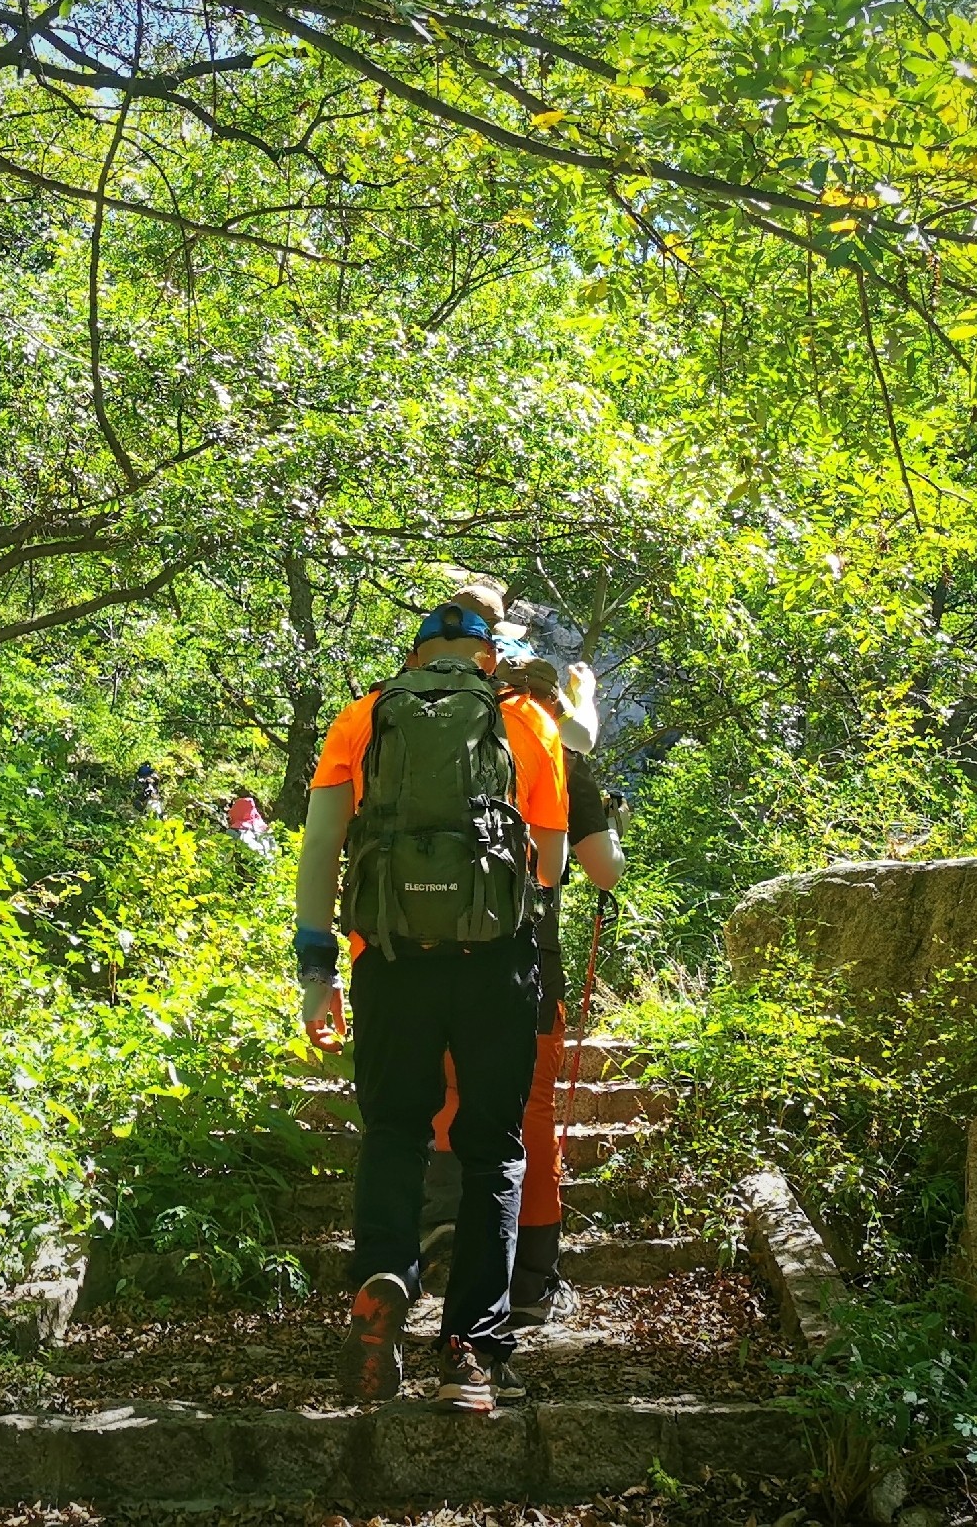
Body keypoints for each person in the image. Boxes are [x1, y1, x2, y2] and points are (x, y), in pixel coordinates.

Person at [293, 600, 569, 1414]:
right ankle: (471, 1353)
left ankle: (385, 1273)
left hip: (390, 961)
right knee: (493, 1152)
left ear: (414, 658)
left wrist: (318, 973)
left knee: (394, 1131)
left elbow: (319, 849)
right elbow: (549, 865)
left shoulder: (364, 716)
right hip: (496, 968)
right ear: (488, 659)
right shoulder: (526, 722)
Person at [427, 653, 624, 1327]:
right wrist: (609, 824)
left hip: (434, 954)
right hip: (524, 960)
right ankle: (534, 1282)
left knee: (452, 1094)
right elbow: (603, 872)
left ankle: (442, 1242)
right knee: (530, 1111)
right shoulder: (561, 756)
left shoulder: (440, 744)